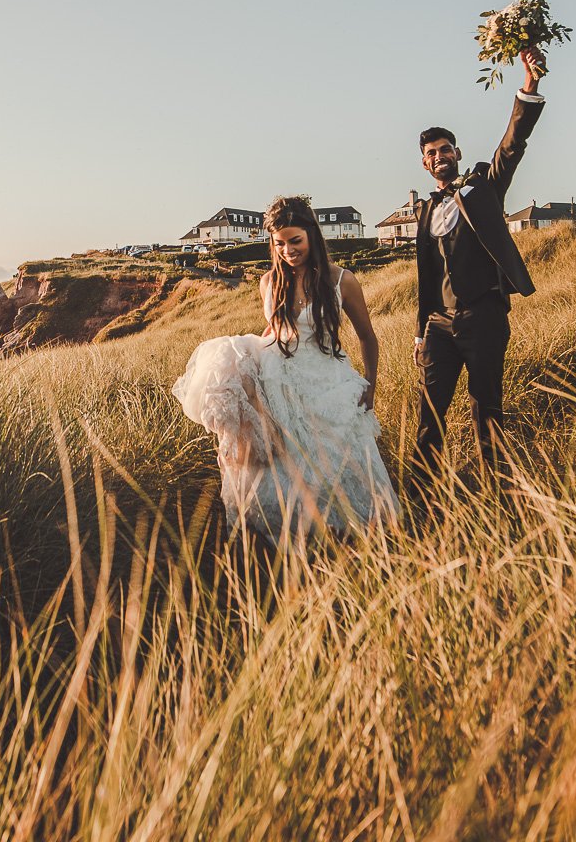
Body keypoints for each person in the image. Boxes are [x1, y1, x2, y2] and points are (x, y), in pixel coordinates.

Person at [173, 196, 398, 544]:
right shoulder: (268, 282)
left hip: (327, 381)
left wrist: (371, 383)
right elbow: (275, 330)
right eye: (280, 244)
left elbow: (368, 337)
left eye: (296, 241)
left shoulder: (342, 281)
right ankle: (297, 540)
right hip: (278, 381)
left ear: (312, 236)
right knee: (285, 467)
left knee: (334, 464)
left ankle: (347, 538)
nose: (289, 250)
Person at [411, 46, 549, 498]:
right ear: (425, 163)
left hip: (485, 318)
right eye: (431, 152)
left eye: (445, 148)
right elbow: (425, 278)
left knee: (486, 409)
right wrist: (419, 331)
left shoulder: (483, 187)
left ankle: (499, 499)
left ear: (457, 153)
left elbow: (512, 144)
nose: (439, 156)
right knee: (429, 413)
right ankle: (421, 500)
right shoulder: (424, 210)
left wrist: (528, 88)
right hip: (438, 327)